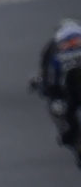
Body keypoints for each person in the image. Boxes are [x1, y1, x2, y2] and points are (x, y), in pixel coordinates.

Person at [31, 18, 81, 164]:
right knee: (58, 109)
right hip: (65, 93)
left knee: (57, 107)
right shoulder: (52, 50)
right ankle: (71, 136)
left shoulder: (52, 48)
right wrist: (40, 83)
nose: (72, 44)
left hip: (65, 92)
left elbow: (45, 75)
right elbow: (46, 75)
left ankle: (69, 134)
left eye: (76, 41)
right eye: (68, 43)